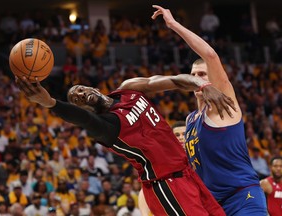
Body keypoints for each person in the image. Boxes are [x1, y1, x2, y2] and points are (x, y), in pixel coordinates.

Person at [15, 68, 234, 215]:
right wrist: (52, 103)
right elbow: (83, 118)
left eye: (80, 89)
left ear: (92, 87)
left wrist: (202, 85)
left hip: (187, 172)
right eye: (76, 100)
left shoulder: (128, 89)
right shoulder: (106, 127)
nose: (80, 95)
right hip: (166, 184)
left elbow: (173, 81)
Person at [151, 5, 267, 215]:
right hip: (212, 203)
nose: (197, 78)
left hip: (243, 197)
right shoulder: (191, 119)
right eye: (193, 74)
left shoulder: (224, 104)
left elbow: (211, 56)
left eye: (203, 74)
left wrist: (173, 24)